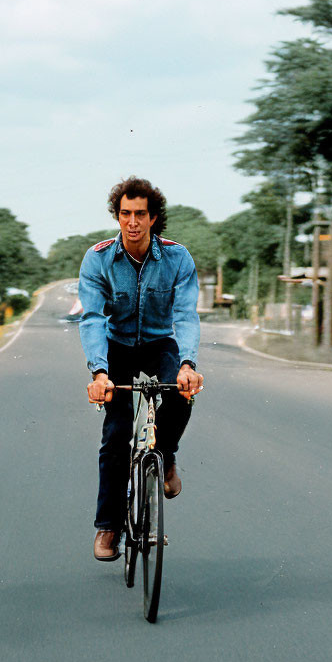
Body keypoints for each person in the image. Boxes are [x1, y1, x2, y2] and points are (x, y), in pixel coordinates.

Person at [78, 176, 204, 562]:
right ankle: (109, 527)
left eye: (141, 214)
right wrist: (100, 373)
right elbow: (92, 319)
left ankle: (165, 456)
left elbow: (185, 315)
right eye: (125, 213)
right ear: (117, 216)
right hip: (116, 349)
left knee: (183, 394)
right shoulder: (98, 258)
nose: (132, 222)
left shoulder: (177, 257)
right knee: (115, 435)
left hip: (158, 344)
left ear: (153, 218)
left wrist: (187, 364)